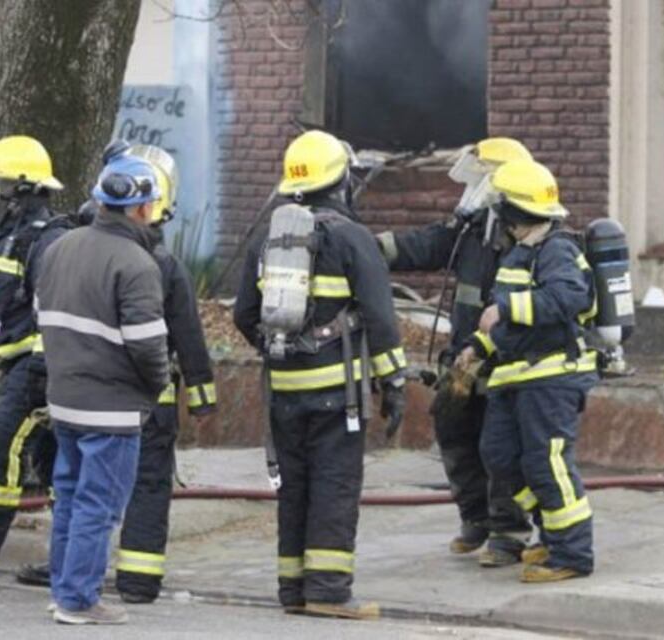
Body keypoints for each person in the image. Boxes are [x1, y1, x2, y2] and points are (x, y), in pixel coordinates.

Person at [233, 130, 406, 619]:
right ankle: (328, 592)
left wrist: (280, 353)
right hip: (338, 395)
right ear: (341, 182)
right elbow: (380, 319)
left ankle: (293, 589)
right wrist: (393, 385)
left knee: (294, 488)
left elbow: (245, 314)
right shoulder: (352, 238)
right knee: (333, 486)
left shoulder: (267, 237)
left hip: (283, 394)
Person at [374, 138, 533, 566]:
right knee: (453, 430)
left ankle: (509, 533)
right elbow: (425, 245)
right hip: (464, 358)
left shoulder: (527, 241)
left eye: (482, 180)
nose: (473, 189)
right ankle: (476, 520)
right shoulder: (472, 231)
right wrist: (368, 248)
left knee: (499, 448)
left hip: (504, 363)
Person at [36, 154, 170, 625]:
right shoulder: (137, 264)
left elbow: (45, 317)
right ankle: (78, 600)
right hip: (112, 410)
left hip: (65, 400)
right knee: (99, 506)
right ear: (141, 209)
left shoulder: (59, 247)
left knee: (70, 498)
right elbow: (148, 346)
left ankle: (63, 590)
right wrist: (158, 389)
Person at [469, 159, 598, 582]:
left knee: (547, 462)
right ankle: (552, 533)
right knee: (500, 456)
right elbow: (499, 321)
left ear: (515, 212)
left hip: (551, 377)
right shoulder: (519, 253)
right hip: (514, 377)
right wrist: (477, 346)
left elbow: (567, 300)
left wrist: (504, 309)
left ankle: (572, 554)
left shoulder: (557, 249)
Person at [113, 145, 217, 604]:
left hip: (90, 395)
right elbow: (188, 334)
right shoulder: (166, 267)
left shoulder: (85, 252)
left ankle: (71, 569)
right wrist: (202, 393)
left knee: (80, 478)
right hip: (148, 399)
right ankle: (138, 580)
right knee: (149, 483)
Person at [0, 135, 69, 581]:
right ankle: (64, 563)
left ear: (21, 191)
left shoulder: (43, 241)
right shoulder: (9, 239)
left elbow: (54, 311)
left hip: (37, 368)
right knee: (53, 465)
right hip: (22, 365)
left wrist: (43, 373)